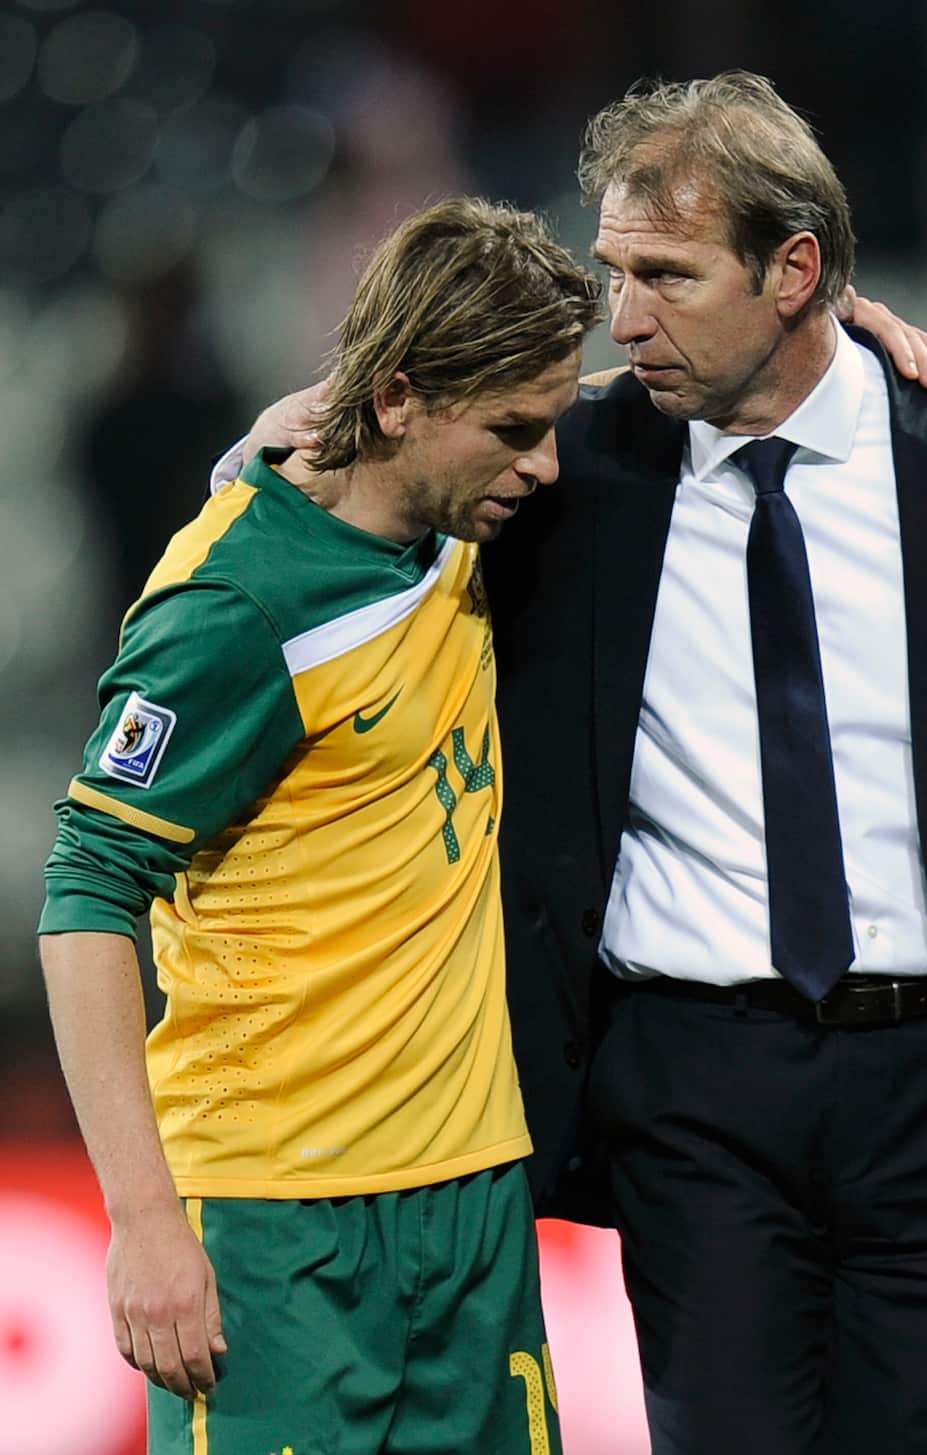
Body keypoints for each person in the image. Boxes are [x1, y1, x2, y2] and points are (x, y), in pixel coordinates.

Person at [238, 71, 927, 1455]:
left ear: (796, 269)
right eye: (614, 271)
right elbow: (310, 497)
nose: (623, 312)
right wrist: (295, 425)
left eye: (666, 273)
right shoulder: (567, 468)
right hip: (690, 1091)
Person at [38, 197, 596, 1453]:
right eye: (516, 432)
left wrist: (833, 329)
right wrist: (143, 1222)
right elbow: (85, 893)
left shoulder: (460, 521)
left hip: (471, 1198)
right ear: (399, 399)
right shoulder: (235, 604)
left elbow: (677, 387)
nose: (546, 464)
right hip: (276, 1221)